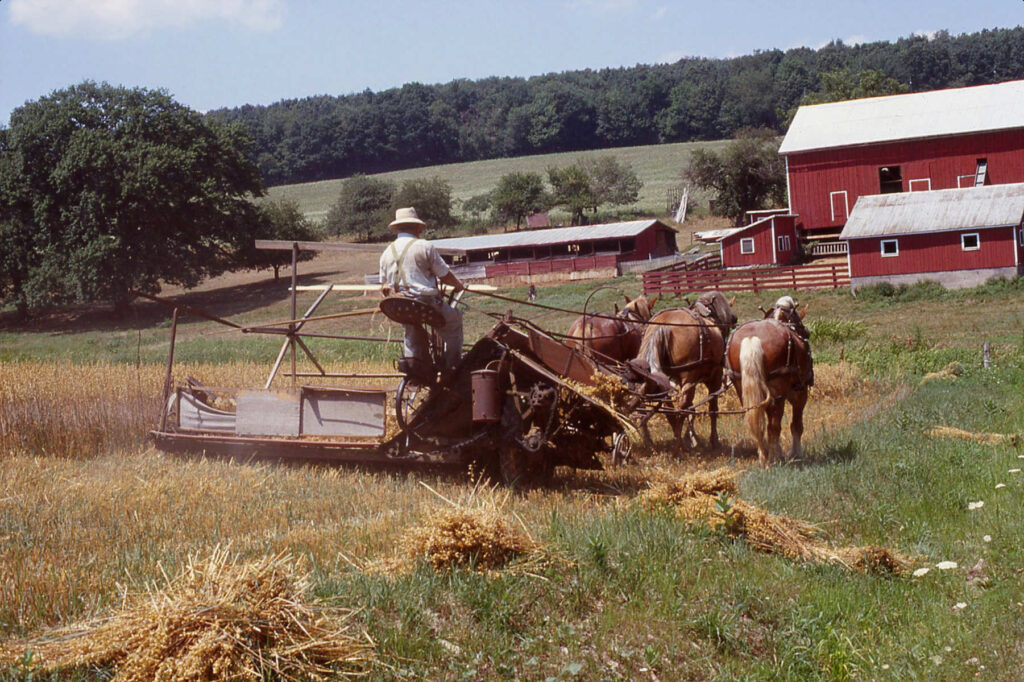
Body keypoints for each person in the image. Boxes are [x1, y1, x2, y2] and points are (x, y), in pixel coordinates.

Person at [379, 207, 465, 376]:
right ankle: (452, 367)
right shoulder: (424, 246)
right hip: (424, 302)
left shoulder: (387, 252)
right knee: (454, 322)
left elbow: (383, 285)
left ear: (398, 228)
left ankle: (414, 364)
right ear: (416, 227)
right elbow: (445, 275)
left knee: (411, 326)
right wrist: (459, 285)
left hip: (400, 305)